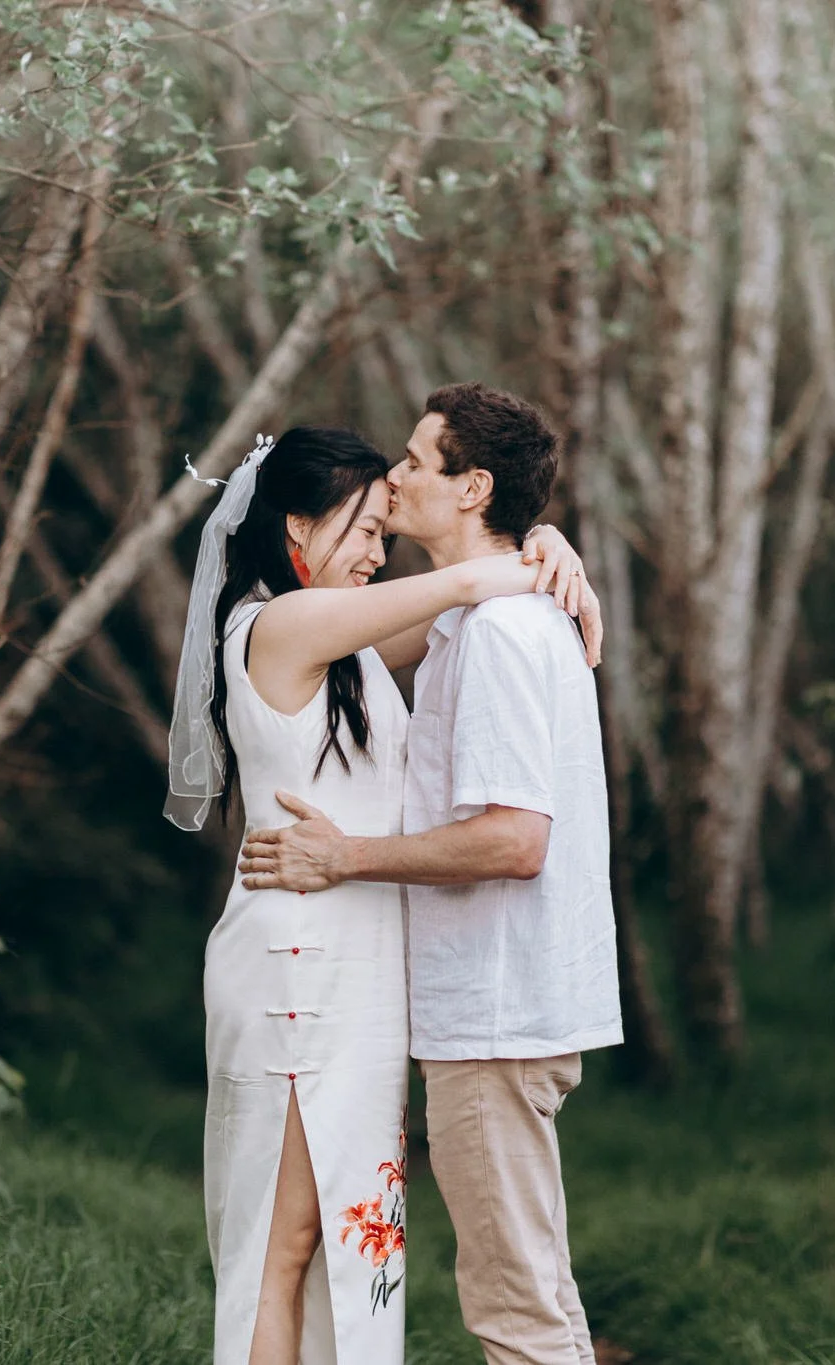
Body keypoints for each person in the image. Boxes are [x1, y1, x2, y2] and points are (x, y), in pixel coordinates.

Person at [163, 424, 599, 1365]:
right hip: (292, 965)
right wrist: (543, 556)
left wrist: (546, 546)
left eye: (382, 534)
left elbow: (463, 592)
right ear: (296, 525)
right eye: (361, 529)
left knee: (345, 1244)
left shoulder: (350, 643)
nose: (375, 550)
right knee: (281, 1246)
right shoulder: (274, 623)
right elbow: (462, 583)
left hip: (363, 974)